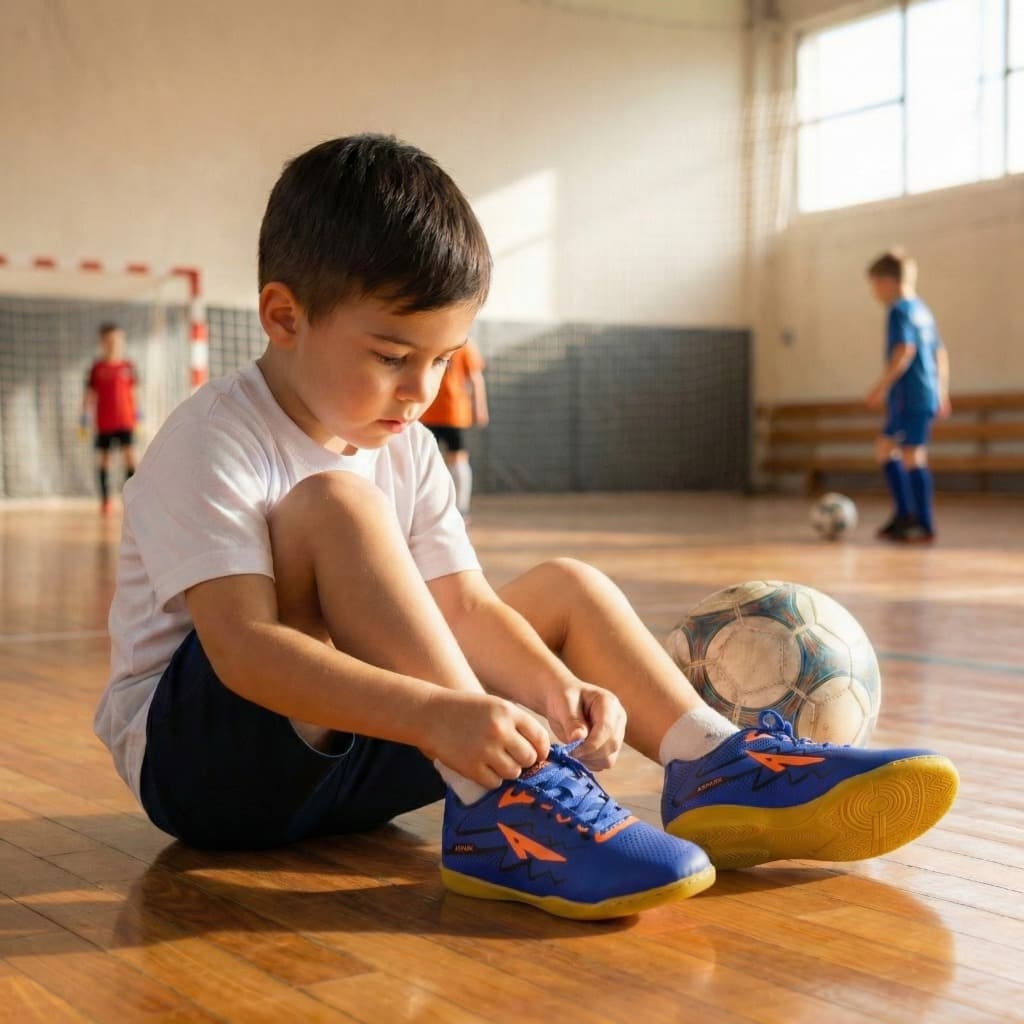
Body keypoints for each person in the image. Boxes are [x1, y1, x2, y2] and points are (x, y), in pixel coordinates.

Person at [94, 136, 958, 921]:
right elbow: (244, 652)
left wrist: (551, 689)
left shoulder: (408, 445)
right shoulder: (214, 438)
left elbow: (465, 609)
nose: (421, 390)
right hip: (210, 773)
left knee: (564, 589)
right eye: (393, 357)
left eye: (443, 360)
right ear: (284, 317)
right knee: (337, 504)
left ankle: (710, 762)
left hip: (370, 749)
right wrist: (445, 715)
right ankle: (495, 801)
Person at [865, 250, 950, 542]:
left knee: (911, 455)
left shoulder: (899, 310)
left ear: (888, 281)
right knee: (887, 448)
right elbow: (940, 353)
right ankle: (905, 516)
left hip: (908, 395)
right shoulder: (923, 310)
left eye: (874, 284)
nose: (874, 292)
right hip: (924, 393)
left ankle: (922, 523)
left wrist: (881, 386)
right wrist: (941, 391)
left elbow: (905, 351)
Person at [420, 339, 488, 518]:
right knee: (427, 460)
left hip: (452, 412)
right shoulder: (433, 341)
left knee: (457, 458)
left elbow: (475, 378)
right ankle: (437, 507)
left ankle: (461, 507)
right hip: (430, 411)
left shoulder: (465, 346)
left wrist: (480, 408)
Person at [81, 323, 139, 516]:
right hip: (104, 423)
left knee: (131, 459)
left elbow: (134, 392)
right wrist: (83, 419)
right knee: (104, 461)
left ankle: (132, 498)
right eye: (109, 340)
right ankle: (105, 501)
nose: (114, 344)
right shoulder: (97, 368)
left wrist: (139, 415)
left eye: (117, 340)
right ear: (103, 342)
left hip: (126, 422)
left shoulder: (128, 366)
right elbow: (88, 395)